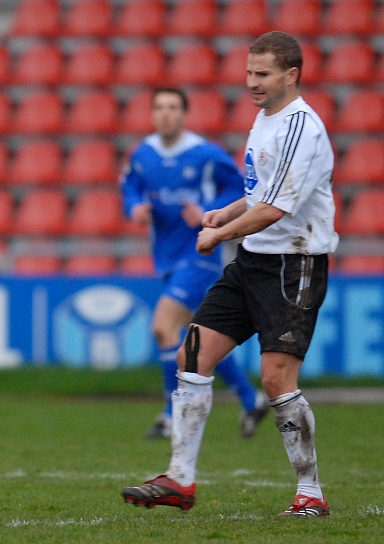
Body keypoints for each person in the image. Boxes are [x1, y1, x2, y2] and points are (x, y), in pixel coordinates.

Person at [121, 31, 337, 518]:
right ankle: (180, 478)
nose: (252, 82)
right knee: (191, 353)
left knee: (276, 378)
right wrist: (226, 211)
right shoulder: (264, 119)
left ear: (291, 75)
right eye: (249, 73)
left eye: (263, 74)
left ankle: (310, 493)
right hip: (253, 261)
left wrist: (218, 234)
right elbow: (260, 193)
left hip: (294, 264)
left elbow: (277, 208)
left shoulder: (301, 127)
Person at [121, 87, 269, 440]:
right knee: (198, 335)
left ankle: (171, 414)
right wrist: (135, 207)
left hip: (200, 254)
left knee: (163, 327)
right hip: (166, 256)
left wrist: (207, 209)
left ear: (184, 114)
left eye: (173, 107)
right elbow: (130, 186)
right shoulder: (143, 154)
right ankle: (251, 399)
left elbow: (242, 189)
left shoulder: (205, 153)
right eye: (159, 107)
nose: (165, 113)